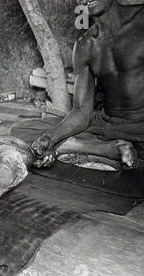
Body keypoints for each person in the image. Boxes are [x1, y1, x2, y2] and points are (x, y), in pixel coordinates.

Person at [11, 0, 144, 169]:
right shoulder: (85, 45)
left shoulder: (140, 24)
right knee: (21, 131)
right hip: (105, 125)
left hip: (140, 127)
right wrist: (49, 138)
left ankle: (75, 147)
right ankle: (105, 150)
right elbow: (81, 111)